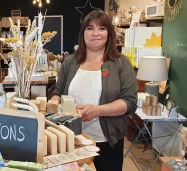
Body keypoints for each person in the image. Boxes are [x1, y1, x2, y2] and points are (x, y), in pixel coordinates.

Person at [51, 10, 137, 171]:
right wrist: (51, 107)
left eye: (102, 28)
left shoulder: (121, 63)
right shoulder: (70, 62)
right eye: (90, 28)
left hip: (108, 141)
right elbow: (58, 93)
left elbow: (130, 102)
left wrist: (98, 110)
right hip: (71, 140)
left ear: (109, 33)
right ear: (83, 33)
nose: (95, 33)